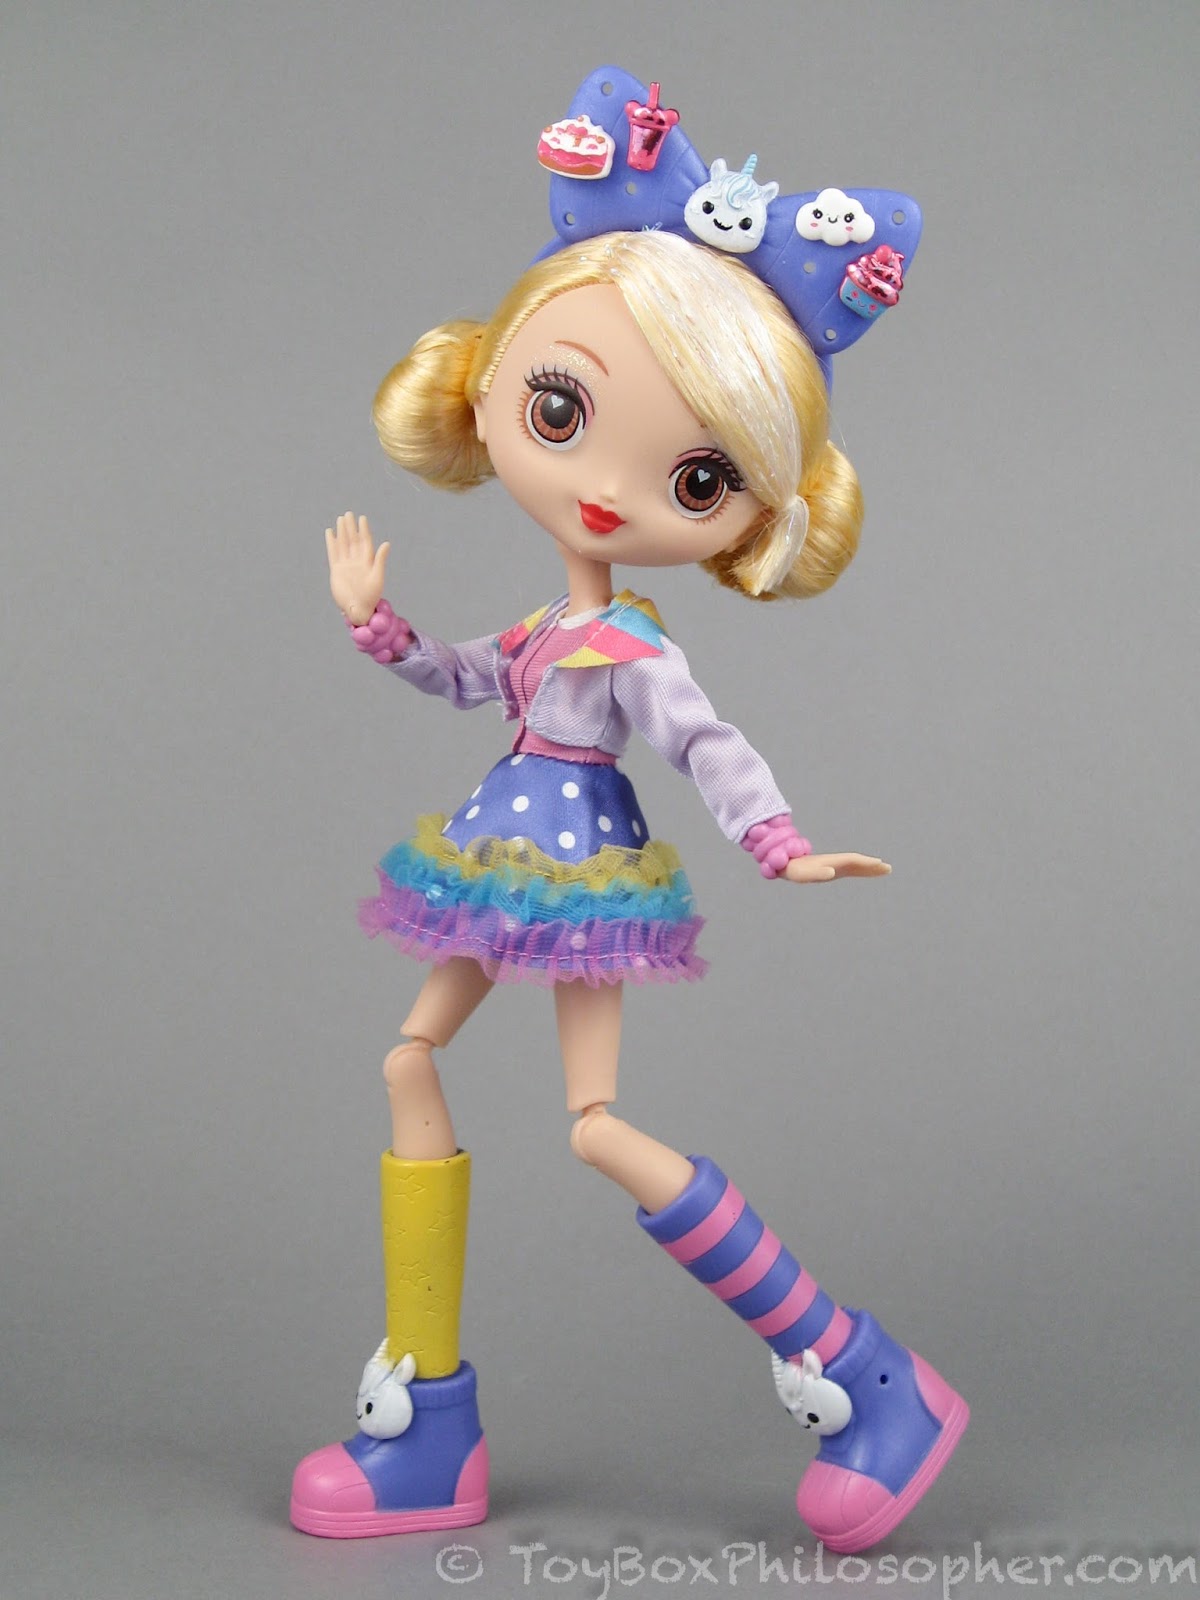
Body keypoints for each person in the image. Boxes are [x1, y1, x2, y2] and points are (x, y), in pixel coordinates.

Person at [290, 67, 967, 1555]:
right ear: (490, 393)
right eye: (562, 408)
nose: (606, 491)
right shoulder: (549, 631)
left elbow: (706, 743)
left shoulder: (631, 645)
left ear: (754, 511)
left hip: (582, 880)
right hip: (493, 862)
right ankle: (429, 1418)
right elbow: (463, 677)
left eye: (698, 475)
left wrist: (780, 843)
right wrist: (376, 625)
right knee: (408, 1058)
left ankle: (862, 1369)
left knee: (597, 1127)